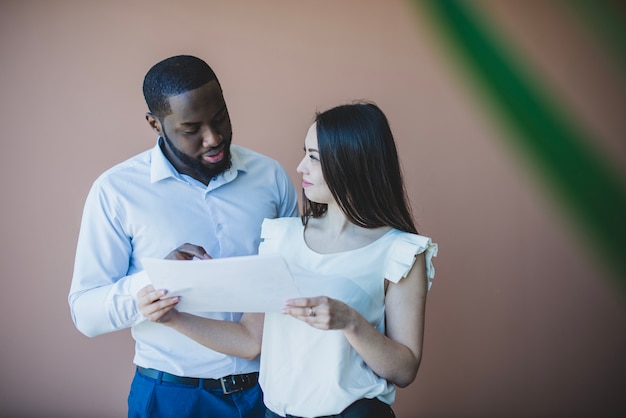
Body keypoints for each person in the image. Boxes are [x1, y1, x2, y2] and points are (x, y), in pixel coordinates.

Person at [138, 101, 438, 418]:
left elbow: (404, 371)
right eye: (304, 153)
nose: (300, 168)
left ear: (351, 163)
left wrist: (350, 322)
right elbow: (251, 340)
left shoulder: (401, 252)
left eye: (313, 157)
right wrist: (171, 318)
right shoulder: (280, 238)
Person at [68, 55, 299, 418]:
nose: (214, 138)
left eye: (220, 117)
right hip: (171, 397)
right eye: (191, 129)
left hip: (270, 391)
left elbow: (294, 279)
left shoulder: (270, 177)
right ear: (155, 124)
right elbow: (85, 312)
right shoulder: (116, 191)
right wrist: (155, 283)